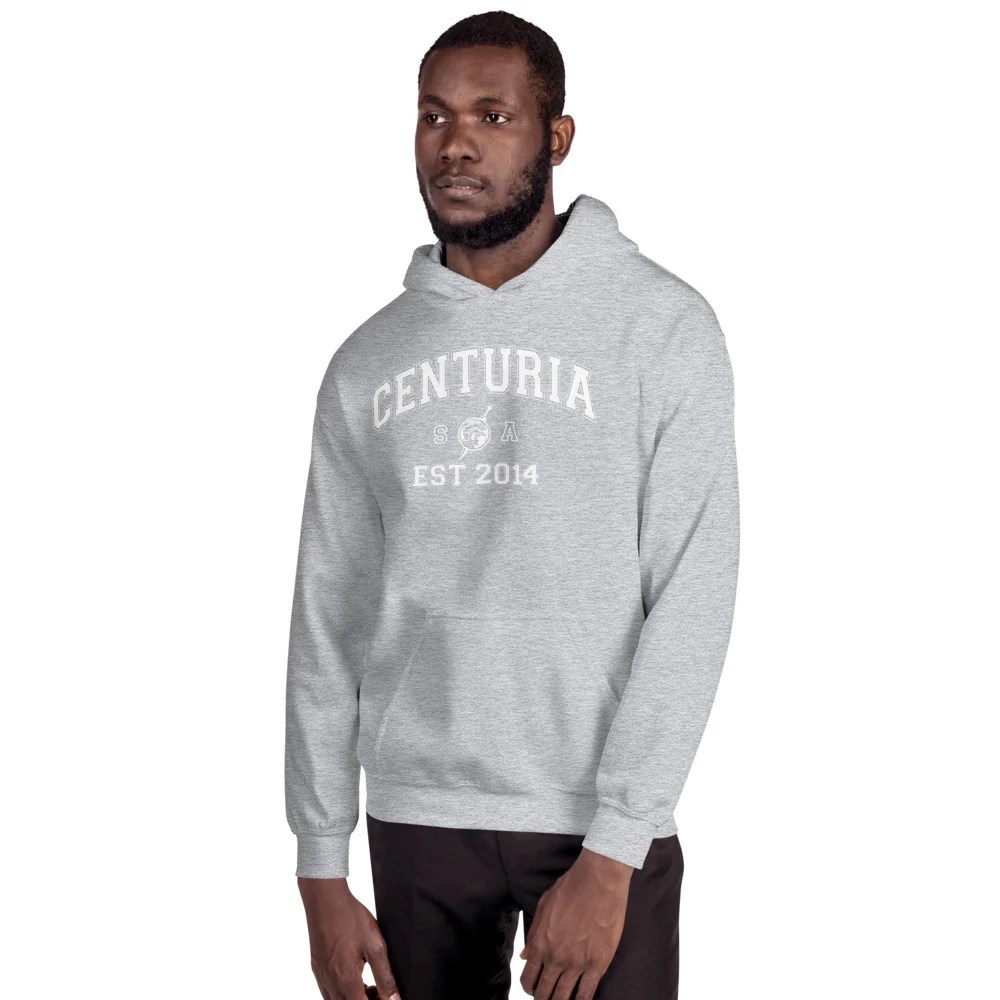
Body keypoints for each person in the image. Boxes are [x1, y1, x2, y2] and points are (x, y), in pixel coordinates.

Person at [284, 10, 740, 999]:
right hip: (416, 810)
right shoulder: (367, 362)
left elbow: (692, 600)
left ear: (557, 138)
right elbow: (327, 617)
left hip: (597, 819)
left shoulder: (663, 329)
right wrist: (320, 862)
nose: (455, 143)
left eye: (493, 116)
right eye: (434, 116)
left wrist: (615, 846)